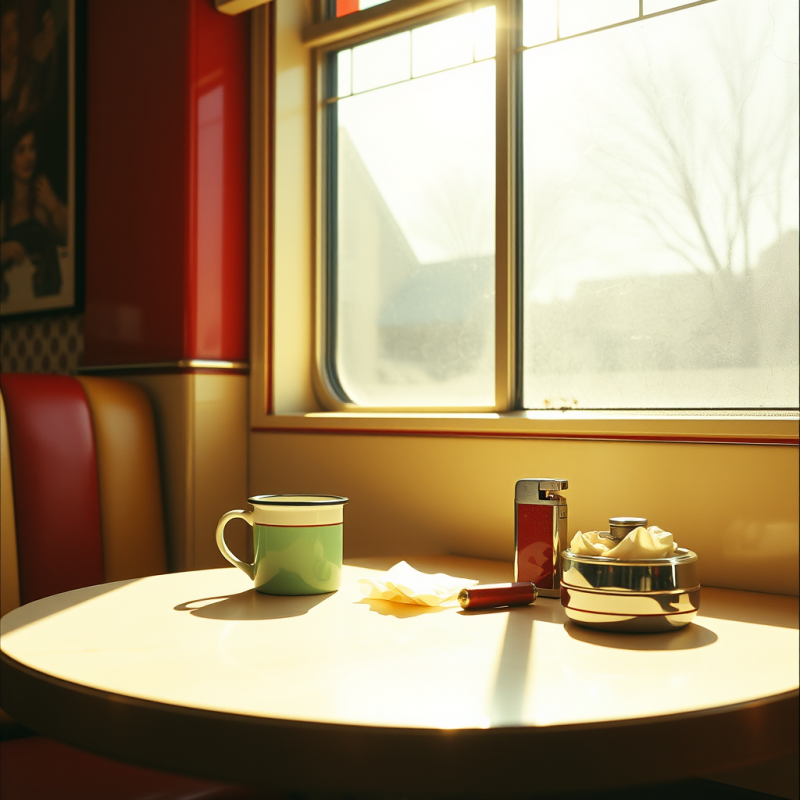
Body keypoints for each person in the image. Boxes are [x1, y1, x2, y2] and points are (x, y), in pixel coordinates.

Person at [1, 120, 65, 301]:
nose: (29, 157)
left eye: (32, 148)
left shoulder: (42, 197)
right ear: (10, 162)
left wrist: (52, 205)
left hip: (43, 299)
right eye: (21, 151)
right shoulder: (4, 210)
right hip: (12, 304)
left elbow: (67, 236)